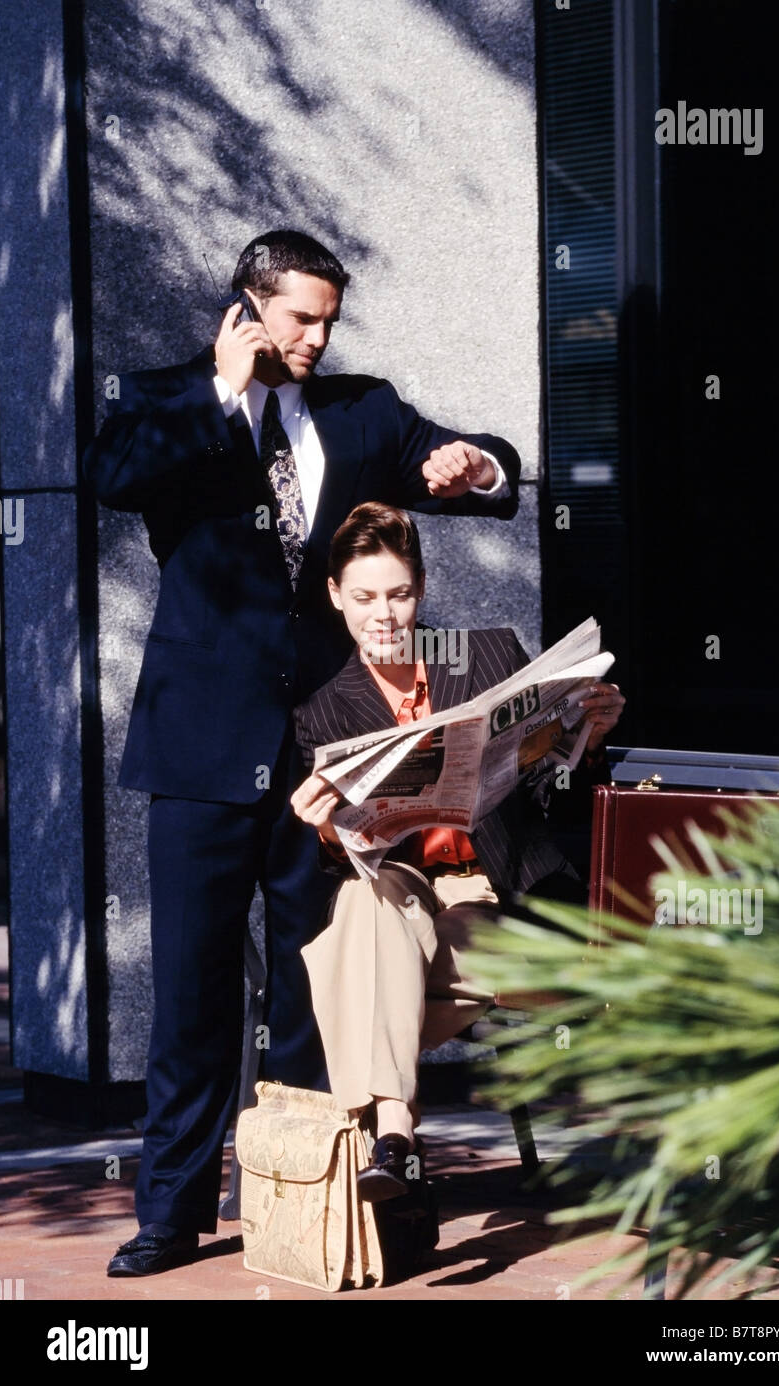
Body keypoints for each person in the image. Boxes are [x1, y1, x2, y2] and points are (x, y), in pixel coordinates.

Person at [84, 229, 521, 1276]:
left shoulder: (359, 409)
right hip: (198, 745)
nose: (319, 338)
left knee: (311, 984)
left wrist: (473, 464)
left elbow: (476, 470)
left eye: (331, 319)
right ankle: (172, 1212)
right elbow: (114, 476)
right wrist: (220, 395)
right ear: (248, 306)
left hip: (326, 751)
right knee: (190, 994)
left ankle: (316, 1201)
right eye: (300, 318)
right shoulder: (163, 396)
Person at [291, 502, 624, 1200]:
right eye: (363, 598)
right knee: (364, 897)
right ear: (333, 596)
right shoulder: (321, 712)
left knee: (352, 967)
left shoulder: (488, 657)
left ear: (420, 590)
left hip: (494, 895)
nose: (383, 615)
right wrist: (326, 826)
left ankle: (392, 1135)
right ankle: (394, 1133)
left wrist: (586, 740)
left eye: (399, 594)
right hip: (403, 893)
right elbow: (344, 857)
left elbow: (552, 801)